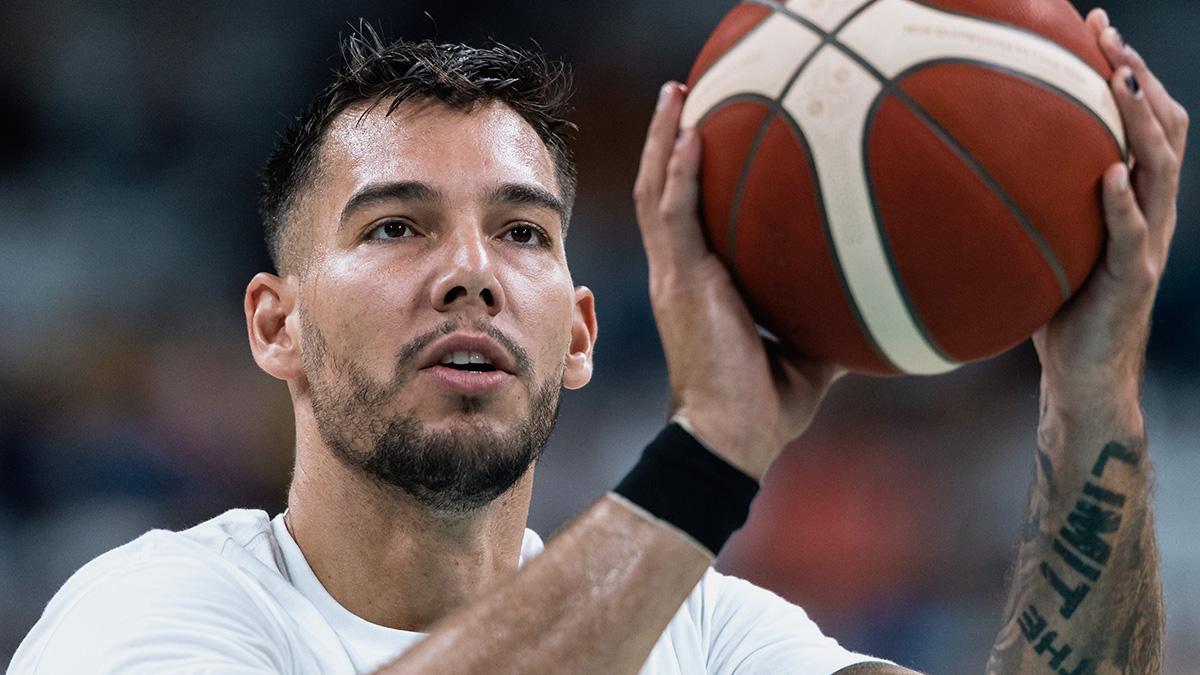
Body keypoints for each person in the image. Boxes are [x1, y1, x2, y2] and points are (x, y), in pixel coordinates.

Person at [9, 7, 1186, 674]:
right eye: (396, 225)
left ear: (579, 331)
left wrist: (1093, 394)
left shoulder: (709, 635)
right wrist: (707, 452)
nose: (470, 270)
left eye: (522, 231)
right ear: (277, 326)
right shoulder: (147, 613)